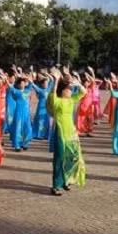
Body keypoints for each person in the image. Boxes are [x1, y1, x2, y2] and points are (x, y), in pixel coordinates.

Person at [47, 68, 87, 196]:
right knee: (59, 159)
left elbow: (83, 92)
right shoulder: (57, 101)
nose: (70, 91)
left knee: (72, 157)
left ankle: (67, 180)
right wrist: (56, 80)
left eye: (71, 89)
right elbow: (53, 94)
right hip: (60, 134)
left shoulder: (71, 100)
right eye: (68, 89)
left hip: (71, 133)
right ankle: (56, 186)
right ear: (62, 91)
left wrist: (77, 83)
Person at [8, 68, 34, 151]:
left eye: (24, 83)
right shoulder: (16, 91)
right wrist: (6, 79)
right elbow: (10, 87)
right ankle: (17, 146)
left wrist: (30, 75)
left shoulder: (27, 90)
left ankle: (25, 143)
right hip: (19, 112)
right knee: (18, 128)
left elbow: (31, 83)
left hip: (26, 113)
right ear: (18, 85)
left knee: (27, 128)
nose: (23, 84)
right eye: (21, 83)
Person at [32, 73, 54, 140]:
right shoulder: (40, 90)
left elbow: (52, 80)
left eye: (47, 83)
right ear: (42, 84)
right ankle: (39, 135)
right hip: (41, 107)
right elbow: (33, 85)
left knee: (46, 121)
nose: (46, 84)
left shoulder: (49, 88)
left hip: (47, 107)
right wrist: (31, 79)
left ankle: (46, 135)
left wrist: (47, 74)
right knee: (40, 121)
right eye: (45, 83)